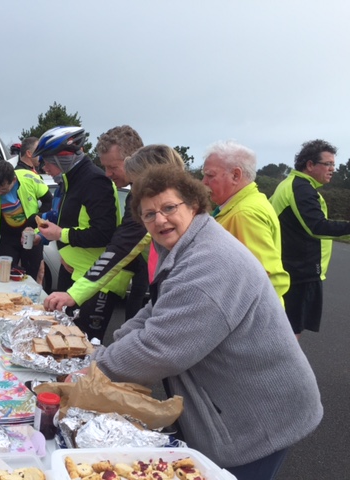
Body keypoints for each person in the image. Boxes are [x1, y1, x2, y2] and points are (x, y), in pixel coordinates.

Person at [91, 164, 322, 479]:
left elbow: (161, 348)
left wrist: (95, 369)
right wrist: (110, 349)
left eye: (169, 208)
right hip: (243, 404)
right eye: (149, 214)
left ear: (194, 204)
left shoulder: (207, 263)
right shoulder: (185, 246)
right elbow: (157, 310)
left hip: (261, 417)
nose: (160, 219)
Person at [43, 125, 149, 321]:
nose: (107, 174)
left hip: (139, 279)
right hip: (142, 275)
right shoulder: (136, 191)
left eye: (113, 167)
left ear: (133, 159)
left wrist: (75, 293)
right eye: (105, 166)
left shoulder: (147, 193)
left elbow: (119, 246)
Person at [34, 126, 124, 340]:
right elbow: (67, 220)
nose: (44, 167)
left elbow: (105, 233)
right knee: (63, 338)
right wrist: (45, 233)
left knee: (83, 345)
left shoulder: (94, 181)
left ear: (62, 158)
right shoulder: (68, 181)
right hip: (73, 271)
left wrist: (61, 235)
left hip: (97, 279)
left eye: (47, 161)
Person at [270, 139, 350, 337]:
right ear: (310, 165)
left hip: (293, 267)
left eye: (334, 164)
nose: (333, 169)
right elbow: (317, 226)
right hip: (299, 271)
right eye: (328, 164)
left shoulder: (292, 184)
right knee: (291, 332)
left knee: (285, 329)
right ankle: (284, 368)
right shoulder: (301, 188)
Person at [202, 140, 289, 303]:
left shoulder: (245, 214)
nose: (203, 182)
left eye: (210, 175)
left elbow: (269, 278)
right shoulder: (249, 202)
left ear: (236, 175)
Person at [0, 160, 53, 281]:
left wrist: (35, 221)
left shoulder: (29, 178)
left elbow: (48, 200)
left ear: (13, 180)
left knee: (31, 277)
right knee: (4, 275)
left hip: (31, 234)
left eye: (3, 190)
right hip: (8, 235)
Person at [124, 144, 187, 283]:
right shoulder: (163, 235)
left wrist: (74, 295)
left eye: (136, 184)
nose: (133, 191)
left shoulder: (189, 247)